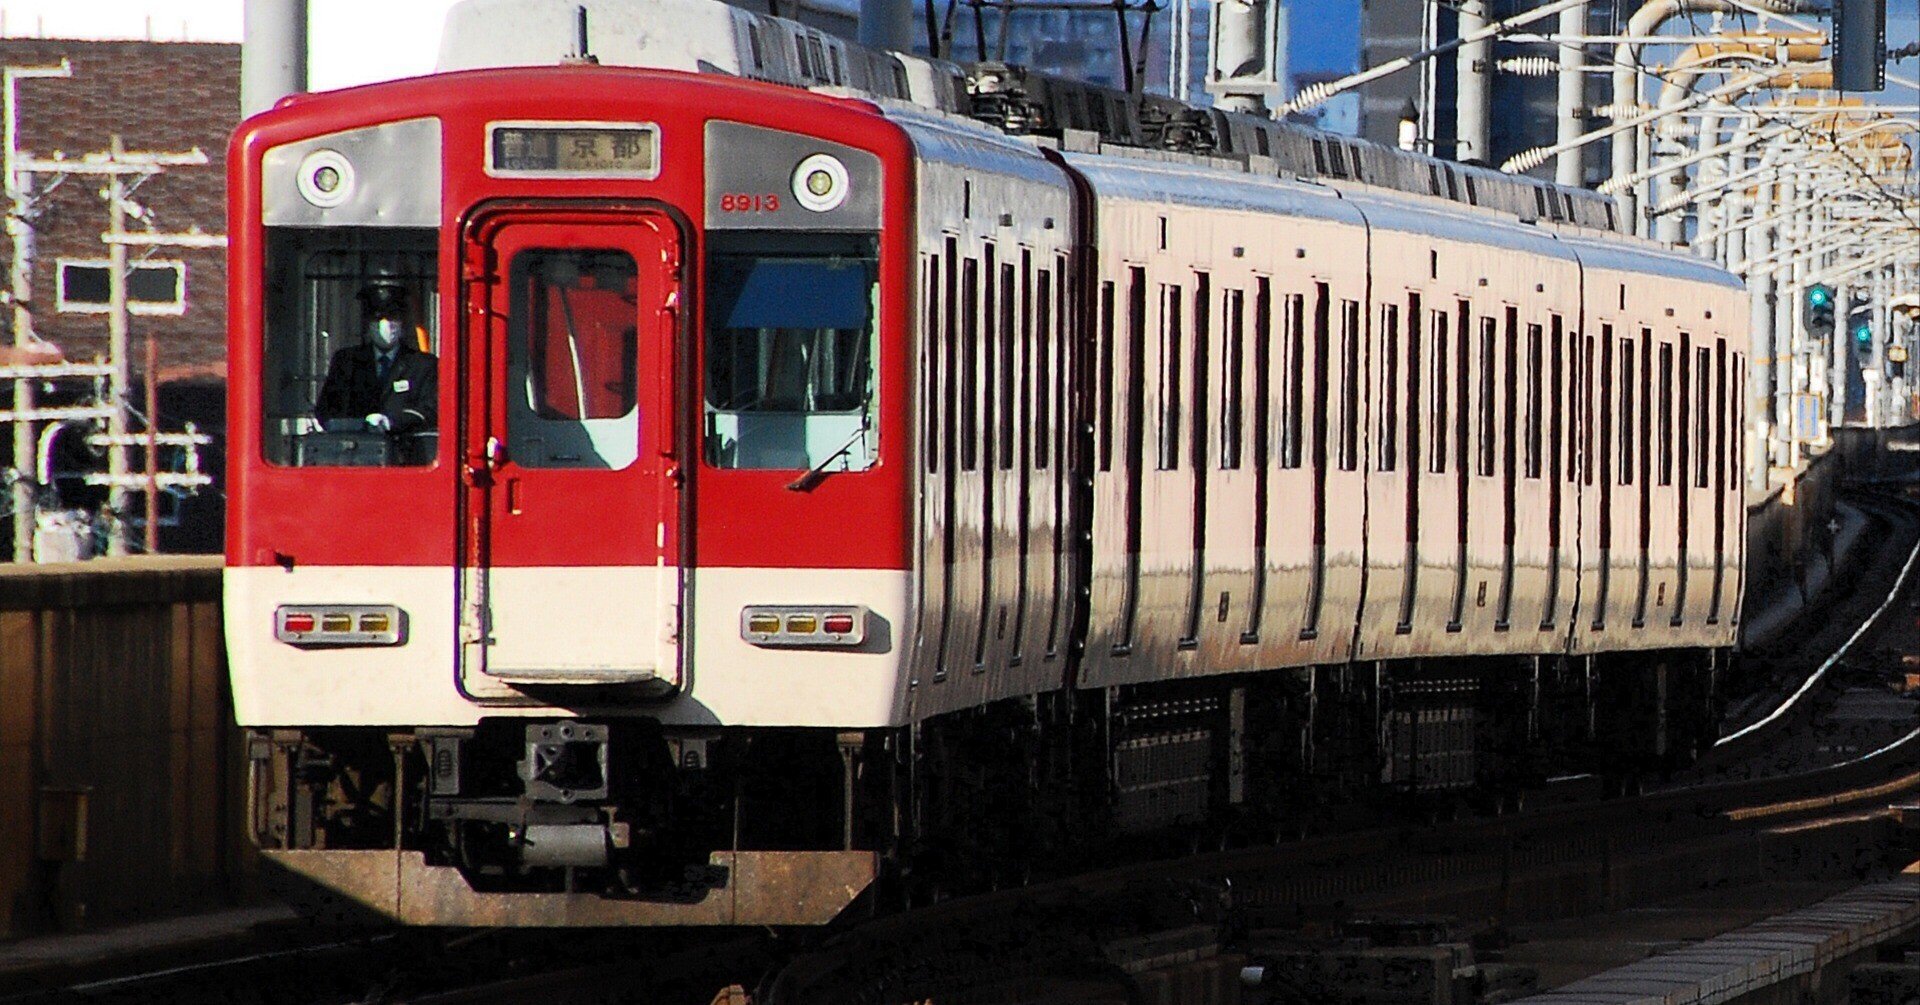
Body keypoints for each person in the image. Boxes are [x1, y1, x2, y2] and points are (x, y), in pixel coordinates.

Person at [316, 282, 437, 451]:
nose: (386, 324)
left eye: (393, 317)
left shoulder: (423, 365)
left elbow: (431, 410)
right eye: (377, 317)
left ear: (403, 322)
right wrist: (351, 425)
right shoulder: (346, 361)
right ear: (367, 323)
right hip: (356, 454)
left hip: (408, 454)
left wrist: (391, 421)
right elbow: (326, 409)